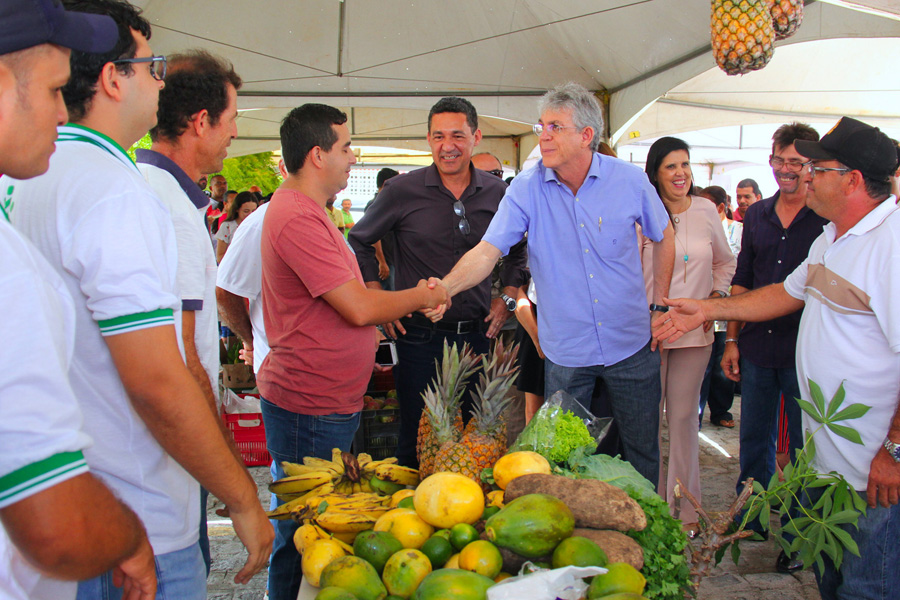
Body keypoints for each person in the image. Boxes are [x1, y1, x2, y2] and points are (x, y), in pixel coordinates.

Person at [7, 1, 273, 597]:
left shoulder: (24, 176)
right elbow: (159, 377)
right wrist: (242, 499)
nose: (162, 84)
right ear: (111, 79)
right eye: (152, 68)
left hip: (70, 504)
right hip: (127, 516)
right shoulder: (114, 192)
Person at [653, 115, 900, 600]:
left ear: (852, 180)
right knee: (833, 579)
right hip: (828, 461)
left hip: (875, 469)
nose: (806, 176)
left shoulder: (890, 246)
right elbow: (781, 294)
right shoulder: (832, 238)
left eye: (819, 168)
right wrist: (706, 309)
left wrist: (894, 449)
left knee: (870, 585)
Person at [428, 82, 674, 487]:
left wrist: (660, 304)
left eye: (555, 127)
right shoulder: (526, 187)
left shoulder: (628, 180)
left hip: (632, 343)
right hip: (566, 352)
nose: (542, 136)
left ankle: (643, 538)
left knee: (642, 451)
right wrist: (445, 288)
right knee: (562, 459)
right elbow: (489, 251)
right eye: (540, 126)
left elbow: (664, 236)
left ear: (586, 136)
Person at [258, 103, 448, 600]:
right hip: (309, 405)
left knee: (313, 536)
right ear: (317, 155)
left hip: (324, 402)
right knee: (308, 538)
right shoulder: (296, 216)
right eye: (346, 147)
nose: (352, 156)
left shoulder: (311, 212)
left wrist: (384, 306)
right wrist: (425, 295)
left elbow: (350, 300)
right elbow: (357, 307)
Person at [0, 3, 157, 599]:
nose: (64, 113)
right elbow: (57, 528)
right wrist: (127, 539)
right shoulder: (7, 267)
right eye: (55, 90)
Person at [348, 97, 527, 468]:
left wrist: (508, 297)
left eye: (458, 136)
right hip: (418, 338)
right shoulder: (401, 191)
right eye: (439, 136)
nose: (448, 146)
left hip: (479, 335)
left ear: (475, 138)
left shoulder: (498, 194)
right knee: (419, 437)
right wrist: (379, 300)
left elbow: (521, 249)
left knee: (476, 438)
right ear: (428, 141)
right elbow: (360, 241)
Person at [134, 48, 243, 576]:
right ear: (201, 123)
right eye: (231, 120)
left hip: (166, 478)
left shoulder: (163, 195)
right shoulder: (169, 210)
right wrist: (236, 485)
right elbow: (182, 361)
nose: (234, 134)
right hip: (157, 498)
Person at [723, 123, 827, 570]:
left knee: (805, 448)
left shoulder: (827, 217)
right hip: (756, 346)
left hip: (807, 351)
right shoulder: (758, 215)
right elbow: (742, 279)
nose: (786, 170)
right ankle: (751, 519)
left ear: (812, 167)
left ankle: (801, 538)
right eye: (779, 160)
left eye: (796, 163)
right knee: (754, 438)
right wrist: (730, 339)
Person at [642, 137, 735, 533]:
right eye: (670, 166)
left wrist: (714, 300)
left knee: (682, 420)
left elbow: (725, 263)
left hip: (695, 335)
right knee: (645, 422)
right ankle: (647, 507)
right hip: (647, 333)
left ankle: (684, 512)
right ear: (656, 173)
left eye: (685, 164)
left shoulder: (705, 210)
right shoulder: (640, 211)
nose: (680, 173)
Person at [696, 185, 741, 429]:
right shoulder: (693, 229)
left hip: (725, 310)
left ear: (721, 208)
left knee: (720, 368)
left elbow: (735, 267)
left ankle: (721, 410)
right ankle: (697, 413)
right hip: (699, 312)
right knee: (700, 371)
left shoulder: (737, 231)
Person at [363, 167, 400, 290]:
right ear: (386, 183)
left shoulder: (388, 203)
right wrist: (382, 262)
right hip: (384, 262)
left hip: (391, 259)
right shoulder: (375, 205)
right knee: (388, 296)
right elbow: (373, 237)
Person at [216, 191, 258, 262]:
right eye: (246, 211)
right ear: (237, 209)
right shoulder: (227, 226)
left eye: (254, 211)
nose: (250, 214)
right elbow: (219, 256)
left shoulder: (258, 226)